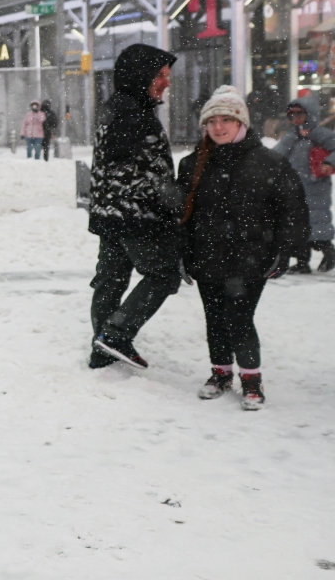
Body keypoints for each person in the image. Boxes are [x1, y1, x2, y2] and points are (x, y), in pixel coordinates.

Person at [176, 86, 308, 410]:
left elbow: (292, 209)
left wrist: (285, 250)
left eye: (226, 120)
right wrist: (181, 251)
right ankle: (220, 373)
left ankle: (251, 379)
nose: (218, 127)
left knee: (239, 317)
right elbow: (181, 215)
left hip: (251, 257)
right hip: (206, 254)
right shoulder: (192, 163)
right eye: (212, 121)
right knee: (214, 318)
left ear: (242, 123)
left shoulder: (269, 162)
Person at [88, 44, 182, 370]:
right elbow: (141, 177)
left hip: (110, 215)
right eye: (160, 75)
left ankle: (102, 348)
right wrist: (173, 204)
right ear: (140, 76)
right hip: (136, 217)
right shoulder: (136, 117)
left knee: (111, 280)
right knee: (164, 275)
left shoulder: (116, 109)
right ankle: (115, 335)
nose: (166, 82)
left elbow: (113, 169)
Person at [270, 91, 335, 273]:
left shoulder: (321, 135)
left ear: (310, 114)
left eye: (300, 114)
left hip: (316, 188)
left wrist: (329, 162)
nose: (295, 119)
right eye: (292, 115)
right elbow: (277, 154)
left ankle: (329, 253)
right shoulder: (291, 136)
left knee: (317, 225)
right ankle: (302, 261)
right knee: (298, 229)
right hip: (294, 189)